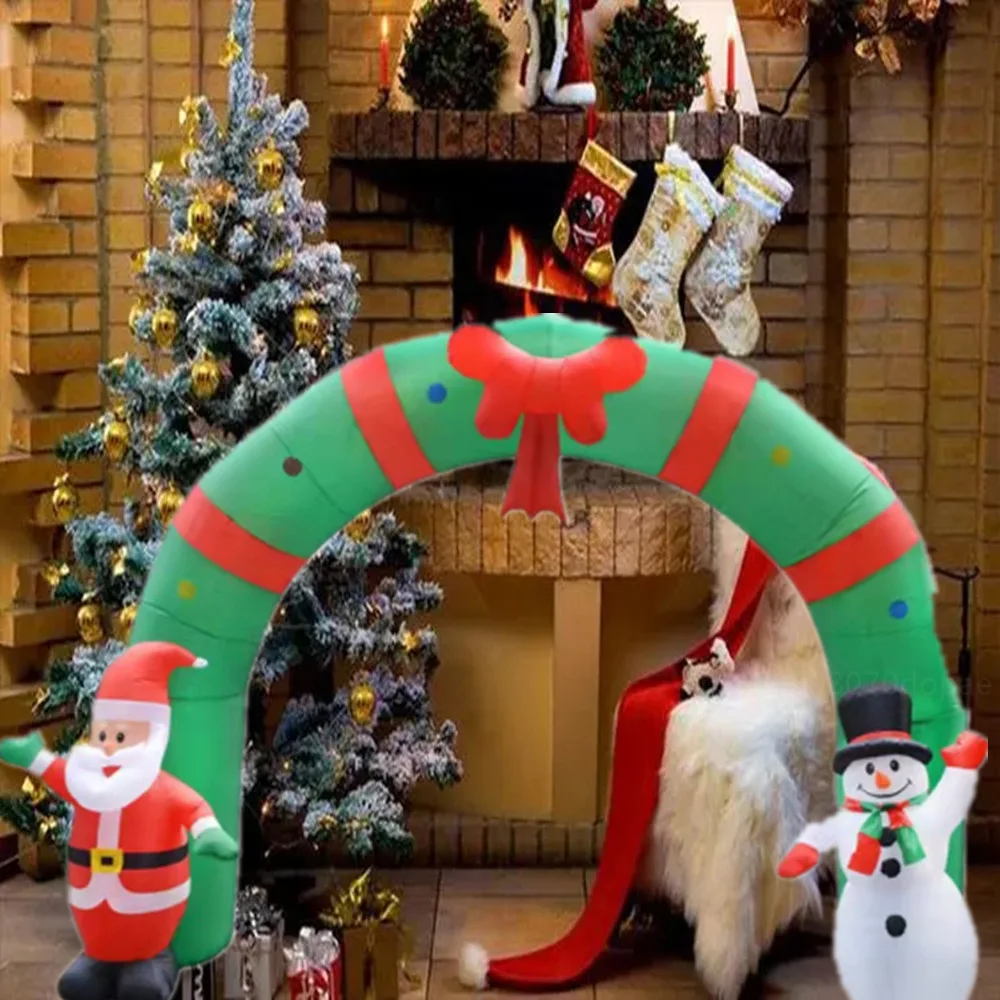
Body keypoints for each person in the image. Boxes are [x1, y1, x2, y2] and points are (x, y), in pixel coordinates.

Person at [0, 641, 239, 1000]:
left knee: (140, 987)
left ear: (154, 736)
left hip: (150, 912)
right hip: (94, 910)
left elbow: (193, 807)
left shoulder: (161, 788)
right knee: (83, 983)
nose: (109, 745)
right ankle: (98, 961)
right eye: (103, 735)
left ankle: (153, 960)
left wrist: (208, 831)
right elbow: (61, 774)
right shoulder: (86, 782)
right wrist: (35, 757)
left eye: (121, 736)